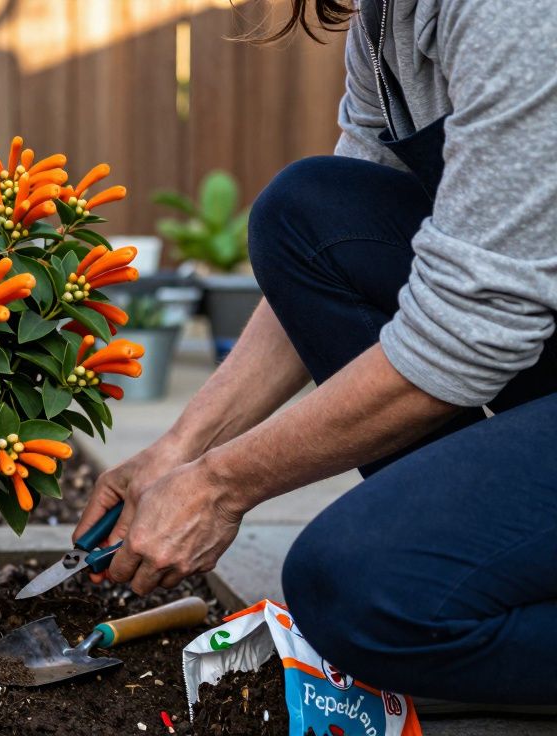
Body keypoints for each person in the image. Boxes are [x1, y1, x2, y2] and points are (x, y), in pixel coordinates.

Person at [74, 0, 557, 705]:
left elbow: (463, 333)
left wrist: (218, 486)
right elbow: (338, 243)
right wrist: (180, 449)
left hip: (503, 329)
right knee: (305, 211)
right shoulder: (384, 20)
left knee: (354, 590)